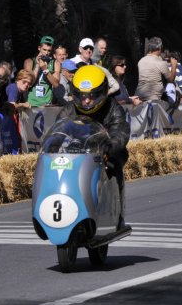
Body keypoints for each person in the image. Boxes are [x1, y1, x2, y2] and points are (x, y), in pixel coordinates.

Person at [56, 65, 130, 215]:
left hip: (104, 153)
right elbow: (57, 132)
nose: (87, 101)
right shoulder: (69, 110)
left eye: (92, 96)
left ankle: (117, 211)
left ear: (102, 93)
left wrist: (109, 147)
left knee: (117, 159)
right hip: (75, 153)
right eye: (82, 96)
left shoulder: (114, 109)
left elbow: (120, 133)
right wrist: (52, 148)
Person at [135, 37, 177, 102]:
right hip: (153, 98)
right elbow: (171, 80)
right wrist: (174, 65)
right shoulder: (161, 63)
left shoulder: (141, 61)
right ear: (159, 48)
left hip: (139, 95)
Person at [23, 35, 61, 107]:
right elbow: (29, 82)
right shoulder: (29, 62)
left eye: (49, 50)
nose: (46, 53)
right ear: (39, 48)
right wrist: (37, 65)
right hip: (30, 104)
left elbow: (56, 84)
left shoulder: (55, 63)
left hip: (46, 105)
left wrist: (45, 69)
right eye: (44, 49)